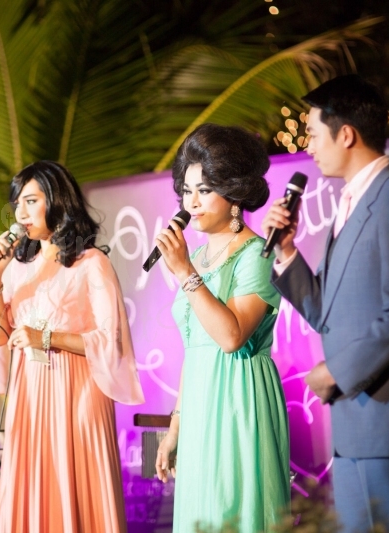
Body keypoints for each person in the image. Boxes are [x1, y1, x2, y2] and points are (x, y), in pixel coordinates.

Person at [261, 75, 389, 532]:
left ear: (346, 134)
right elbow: (325, 311)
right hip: (356, 426)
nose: (308, 147)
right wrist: (286, 251)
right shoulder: (350, 203)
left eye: (312, 134)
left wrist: (337, 372)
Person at [0, 160, 144, 532]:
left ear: (57, 200)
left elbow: (110, 339)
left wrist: (47, 338)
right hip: (29, 396)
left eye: (31, 201)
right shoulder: (15, 268)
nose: (21, 213)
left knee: (75, 488)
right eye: (17, 204)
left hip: (77, 394)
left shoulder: (91, 263)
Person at [153, 124, 290, 532]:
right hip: (199, 403)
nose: (191, 202)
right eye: (186, 191)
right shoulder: (196, 257)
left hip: (238, 400)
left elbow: (231, 337)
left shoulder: (257, 254)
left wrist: (184, 273)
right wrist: (176, 426)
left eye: (204, 190)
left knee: (236, 508)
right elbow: (194, 348)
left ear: (234, 193)